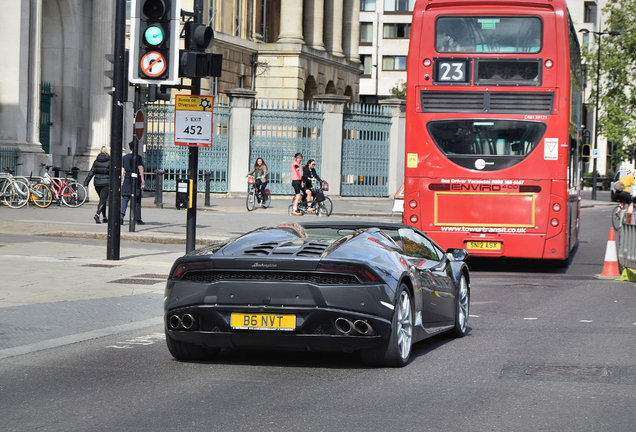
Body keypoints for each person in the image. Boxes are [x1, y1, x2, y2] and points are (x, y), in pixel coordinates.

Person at [84, 146, 110, 224]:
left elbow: (91, 172)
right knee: (103, 200)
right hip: (105, 183)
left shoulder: (96, 161)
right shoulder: (110, 161)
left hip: (97, 183)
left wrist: (86, 183)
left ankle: (104, 217)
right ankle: (97, 214)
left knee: (103, 199)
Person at [121, 141, 145, 225]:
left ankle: (121, 214)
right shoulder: (138, 157)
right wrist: (142, 178)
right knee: (137, 199)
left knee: (125, 198)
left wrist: (121, 179)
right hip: (136, 177)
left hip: (127, 177)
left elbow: (123, 169)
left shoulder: (125, 157)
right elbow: (140, 167)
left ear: (129, 148)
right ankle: (137, 218)